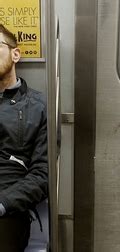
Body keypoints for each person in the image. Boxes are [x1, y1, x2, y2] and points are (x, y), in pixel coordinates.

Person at [0, 24, 48, 251]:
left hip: (8, 206)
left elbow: (43, 173)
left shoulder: (38, 107)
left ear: (15, 53)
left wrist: (4, 202)